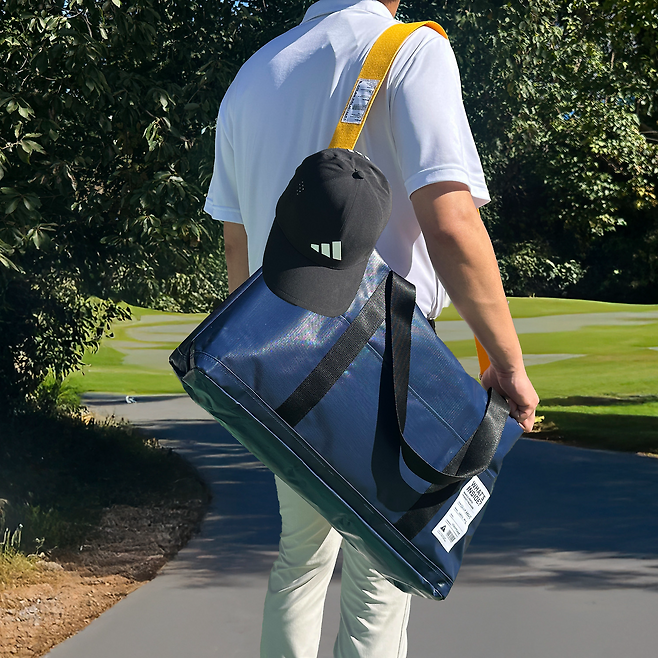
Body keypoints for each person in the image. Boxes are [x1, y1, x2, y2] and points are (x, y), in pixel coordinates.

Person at [204, 1, 540, 656]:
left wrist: (259, 365)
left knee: (299, 561)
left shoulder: (254, 74)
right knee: (381, 572)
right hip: (387, 356)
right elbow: (450, 222)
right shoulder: (411, 50)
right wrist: (508, 363)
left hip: (284, 359)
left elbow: (236, 244)